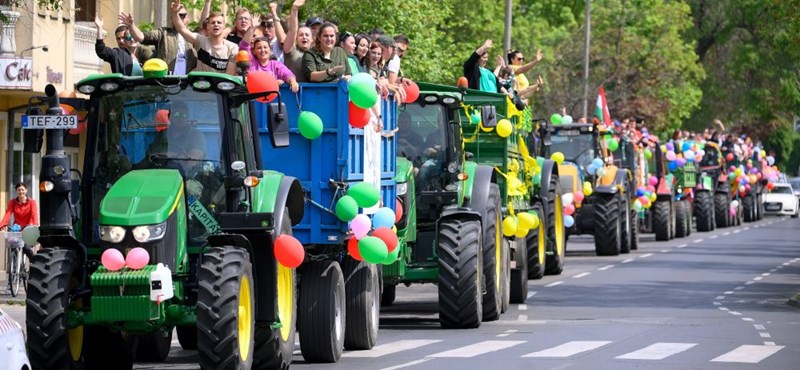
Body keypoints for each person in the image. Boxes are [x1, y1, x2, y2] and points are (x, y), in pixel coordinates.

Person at [121, 0, 209, 74]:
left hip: (187, 86)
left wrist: (208, 2)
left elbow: (204, 24)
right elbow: (141, 37)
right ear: (172, 18)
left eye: (182, 15)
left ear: (188, 18)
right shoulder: (163, 33)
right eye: (177, 15)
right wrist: (131, 26)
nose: (179, 18)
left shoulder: (193, 37)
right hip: (166, 84)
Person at [171, 0, 238, 75]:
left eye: (219, 22)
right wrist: (174, 13)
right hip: (199, 84)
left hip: (220, 85)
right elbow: (182, 29)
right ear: (208, 26)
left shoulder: (232, 47)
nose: (216, 25)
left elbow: (230, 73)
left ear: (224, 26)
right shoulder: (200, 40)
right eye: (213, 22)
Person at [239, 20, 299, 92]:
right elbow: (244, 46)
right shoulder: (251, 62)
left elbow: (287, 74)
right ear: (254, 51)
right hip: (253, 98)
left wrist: (292, 81)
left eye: (265, 47)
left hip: (273, 100)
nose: (262, 50)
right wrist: (252, 27)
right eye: (259, 48)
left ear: (270, 50)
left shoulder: (275, 64)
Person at [1, 183, 38, 260]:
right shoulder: (13, 202)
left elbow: (34, 214)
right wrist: (2, 225)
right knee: (13, 246)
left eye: (22, 190)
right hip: (17, 228)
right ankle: (13, 265)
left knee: (26, 248)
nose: (21, 192)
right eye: (19, 190)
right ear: (16, 191)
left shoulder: (32, 202)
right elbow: (8, 213)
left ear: (26, 191)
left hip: (28, 227)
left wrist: (35, 225)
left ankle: (34, 261)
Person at [283, 0, 311, 82]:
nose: (304, 37)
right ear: (296, 38)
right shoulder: (291, 51)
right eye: (301, 35)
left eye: (307, 35)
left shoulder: (316, 53)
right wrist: (294, 9)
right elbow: (292, 30)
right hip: (292, 93)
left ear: (312, 39)